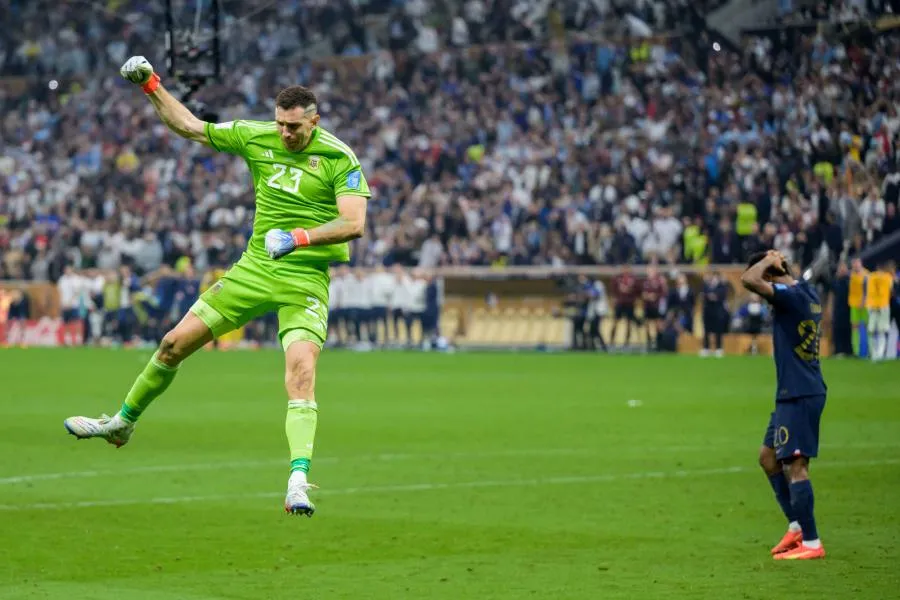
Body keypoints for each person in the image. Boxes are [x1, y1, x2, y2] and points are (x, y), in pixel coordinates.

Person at [63, 56, 370, 518]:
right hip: (255, 269)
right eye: (281, 125)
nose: (286, 134)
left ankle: (298, 481)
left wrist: (299, 237)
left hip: (304, 277)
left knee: (301, 373)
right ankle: (121, 425)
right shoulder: (255, 135)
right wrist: (150, 84)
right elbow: (189, 126)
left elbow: (354, 222)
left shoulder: (339, 157)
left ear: (314, 121)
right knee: (171, 344)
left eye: (294, 127)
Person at [741, 250, 827, 560]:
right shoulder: (807, 291)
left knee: (795, 466)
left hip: (799, 394)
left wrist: (768, 262)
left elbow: (747, 280)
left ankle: (813, 543)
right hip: (794, 392)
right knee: (768, 458)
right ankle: (796, 526)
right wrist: (778, 264)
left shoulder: (789, 296)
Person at [865, 262, 894, 362]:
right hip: (883, 305)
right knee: (882, 331)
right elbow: (891, 291)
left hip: (872, 305)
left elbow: (866, 289)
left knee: (871, 330)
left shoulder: (870, 276)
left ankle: (874, 355)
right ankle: (880, 354)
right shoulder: (888, 277)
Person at [848, 258, 868, 357]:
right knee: (854, 327)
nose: (855, 265)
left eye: (857, 263)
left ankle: (867, 350)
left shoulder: (866, 275)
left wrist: (864, 300)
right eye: (854, 264)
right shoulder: (851, 275)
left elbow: (867, 290)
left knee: (866, 326)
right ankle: (856, 351)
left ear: (861, 263)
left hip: (864, 305)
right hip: (853, 304)